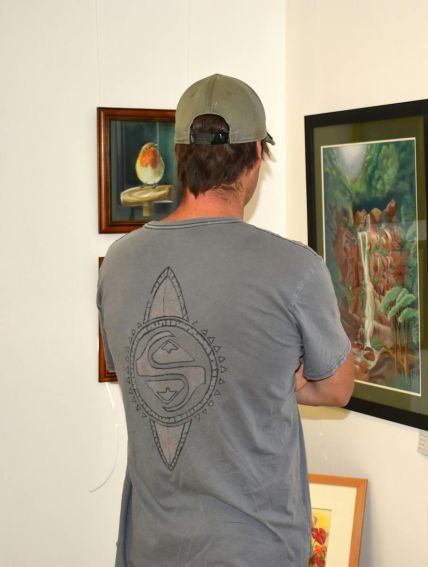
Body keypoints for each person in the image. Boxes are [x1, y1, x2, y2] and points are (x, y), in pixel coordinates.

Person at [97, 73, 355, 567]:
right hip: (255, 550)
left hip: (148, 550)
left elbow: (136, 370)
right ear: (256, 157)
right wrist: (277, 378)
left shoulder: (121, 262)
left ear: (179, 157)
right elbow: (338, 388)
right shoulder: (294, 269)